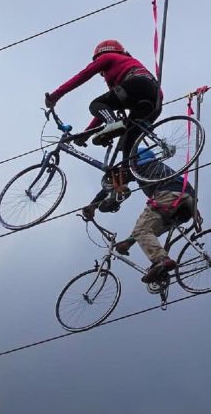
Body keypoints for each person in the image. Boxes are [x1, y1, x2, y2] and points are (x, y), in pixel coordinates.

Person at [83, 148, 198, 284]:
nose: (126, 165)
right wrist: (129, 242)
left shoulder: (140, 167)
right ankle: (160, 267)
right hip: (188, 203)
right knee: (146, 230)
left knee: (142, 229)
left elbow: (114, 182)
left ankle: (161, 261)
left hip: (169, 195)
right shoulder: (156, 168)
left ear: (136, 159)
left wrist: (93, 204)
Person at [45, 39, 162, 173]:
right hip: (154, 100)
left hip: (137, 84)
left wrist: (55, 96)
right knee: (128, 141)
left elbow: (83, 76)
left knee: (95, 105)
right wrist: (86, 134)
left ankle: (112, 122)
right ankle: (126, 174)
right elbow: (108, 107)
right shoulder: (126, 63)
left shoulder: (108, 57)